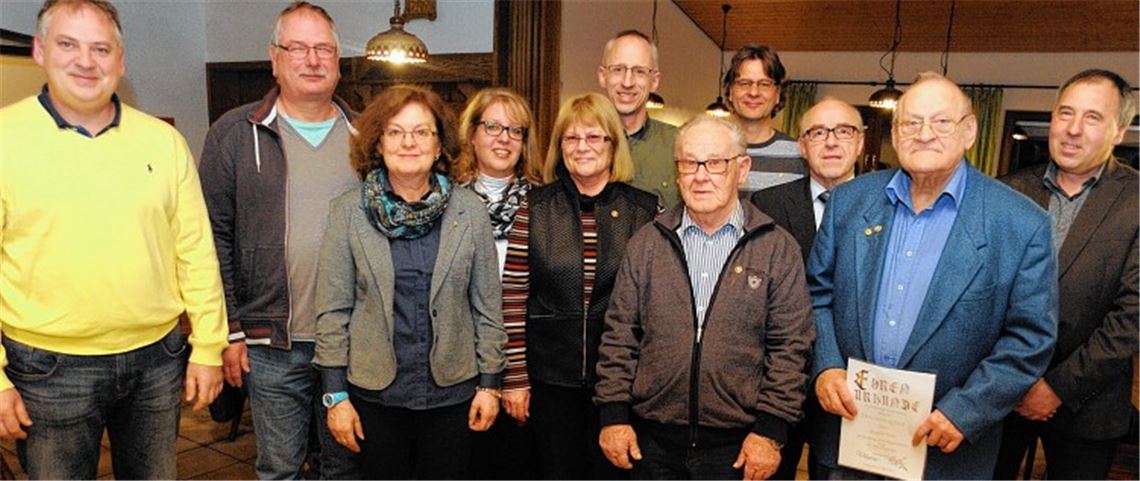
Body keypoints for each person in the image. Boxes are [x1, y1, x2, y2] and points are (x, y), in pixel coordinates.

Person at [0, 0, 227, 478]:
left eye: (101, 48)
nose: (86, 61)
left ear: (120, 62)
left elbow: (195, 250)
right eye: (68, 45)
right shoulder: (5, 138)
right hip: (47, 370)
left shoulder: (163, 142)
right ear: (40, 51)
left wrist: (208, 345)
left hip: (157, 361)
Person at [808, 72, 1058, 479]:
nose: (924, 134)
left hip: (945, 450)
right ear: (895, 132)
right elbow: (817, 293)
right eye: (911, 123)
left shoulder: (1021, 224)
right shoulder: (849, 204)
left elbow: (1030, 338)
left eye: (941, 122)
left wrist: (967, 410)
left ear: (970, 131)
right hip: (850, 441)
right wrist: (827, 365)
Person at [595, 114, 815, 480]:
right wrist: (613, 415)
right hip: (652, 443)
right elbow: (620, 334)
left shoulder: (777, 248)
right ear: (677, 171)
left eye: (715, 163)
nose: (700, 175)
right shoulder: (647, 244)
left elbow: (791, 347)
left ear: (741, 169)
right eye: (688, 163)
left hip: (740, 448)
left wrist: (770, 432)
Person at [198, 2, 360, 478]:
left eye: (323, 49)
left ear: (337, 60)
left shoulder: (368, 134)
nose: (312, 60)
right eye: (298, 48)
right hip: (271, 343)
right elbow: (213, 239)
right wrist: (228, 331)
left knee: (345, 467)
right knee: (280, 468)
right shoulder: (234, 133)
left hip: (353, 341)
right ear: (274, 58)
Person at [313, 84, 506, 479]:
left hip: (453, 393)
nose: (409, 142)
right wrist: (335, 397)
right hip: (374, 394)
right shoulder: (347, 213)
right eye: (396, 132)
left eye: (422, 132)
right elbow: (333, 311)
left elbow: (488, 307)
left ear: (440, 146)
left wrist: (490, 384)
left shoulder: (470, 212)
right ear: (378, 143)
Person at [500, 93, 658, 479]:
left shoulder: (647, 211)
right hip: (549, 382)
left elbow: (657, 305)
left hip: (624, 386)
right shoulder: (534, 209)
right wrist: (515, 377)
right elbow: (513, 298)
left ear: (613, 144)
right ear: (559, 147)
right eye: (571, 138)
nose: (582, 147)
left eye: (594, 137)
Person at [994, 69, 1139, 480]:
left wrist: (1056, 387)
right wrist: (1009, 378)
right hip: (998, 396)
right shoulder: (1009, 191)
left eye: (1092, 118)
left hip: (1088, 407)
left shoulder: (1136, 202)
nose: (1073, 130)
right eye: (1065, 114)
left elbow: (1132, 318)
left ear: (1120, 130)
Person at [750, 97, 863, 479]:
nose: (830, 142)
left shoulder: (886, 205)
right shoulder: (766, 204)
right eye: (818, 132)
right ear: (802, 146)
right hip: (779, 379)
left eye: (843, 131)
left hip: (851, 382)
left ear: (860, 142)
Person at [453, 87, 543, 479]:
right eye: (493, 126)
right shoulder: (445, 202)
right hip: (458, 365)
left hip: (525, 364)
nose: (504, 138)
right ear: (471, 135)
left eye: (515, 130)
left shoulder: (544, 205)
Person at [597, 29, 680, 208]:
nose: (627, 82)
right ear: (603, 76)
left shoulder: (679, 144)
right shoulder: (578, 145)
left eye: (639, 71)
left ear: (655, 81)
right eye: (618, 70)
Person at [723, 45, 805, 194]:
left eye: (764, 84)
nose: (754, 92)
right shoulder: (709, 150)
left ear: (778, 94)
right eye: (744, 83)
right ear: (730, 92)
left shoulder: (799, 156)